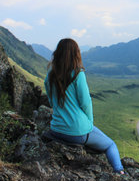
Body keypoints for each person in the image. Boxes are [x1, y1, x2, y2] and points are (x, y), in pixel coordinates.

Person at [44, 38, 124, 174]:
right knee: (110, 145)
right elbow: (85, 102)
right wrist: (89, 124)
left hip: (56, 129)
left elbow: (52, 104)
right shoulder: (77, 74)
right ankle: (120, 172)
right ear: (75, 54)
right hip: (78, 131)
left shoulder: (50, 76)